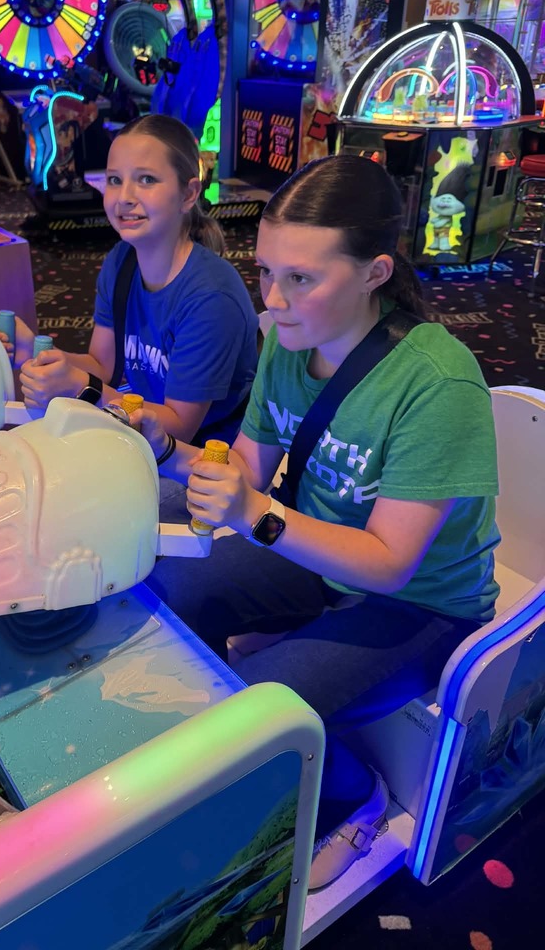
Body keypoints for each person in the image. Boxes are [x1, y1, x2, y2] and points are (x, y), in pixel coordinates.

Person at [132, 154, 500, 889]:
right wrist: (162, 447)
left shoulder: (438, 382)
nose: (273, 298)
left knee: (262, 714)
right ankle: (227, 744)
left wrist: (255, 514)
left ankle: (350, 794)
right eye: (265, 271)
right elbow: (243, 467)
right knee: (171, 588)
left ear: (375, 273)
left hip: (420, 605)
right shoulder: (288, 339)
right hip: (317, 554)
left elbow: (391, 562)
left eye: (301, 277)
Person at [0, 114, 258, 447]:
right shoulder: (121, 260)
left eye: (146, 179)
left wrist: (81, 387)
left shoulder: (211, 299)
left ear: (189, 194)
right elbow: (103, 365)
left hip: (198, 459)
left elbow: (178, 428)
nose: (124, 197)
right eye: (114, 180)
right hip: (133, 423)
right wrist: (35, 350)